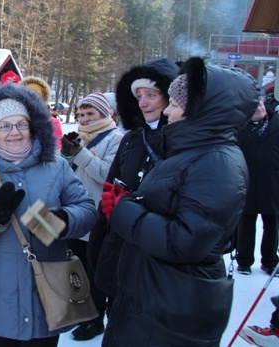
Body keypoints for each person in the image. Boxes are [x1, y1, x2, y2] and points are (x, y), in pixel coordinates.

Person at [100, 57, 258, 346]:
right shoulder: (193, 152)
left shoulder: (216, 163)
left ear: (200, 110)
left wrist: (124, 210)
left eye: (174, 104)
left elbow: (187, 240)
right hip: (153, 297)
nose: (168, 111)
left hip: (171, 306)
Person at [0, 83, 98, 346]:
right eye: (4, 126)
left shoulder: (56, 166)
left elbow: (86, 209)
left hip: (48, 295)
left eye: (21, 124)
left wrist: (59, 222)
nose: (14, 132)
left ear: (33, 126)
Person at [87, 57, 178, 342]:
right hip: (120, 247)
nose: (143, 102)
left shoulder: (183, 143)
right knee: (118, 322)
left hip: (159, 256)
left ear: (170, 97)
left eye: (151, 95)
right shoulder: (131, 140)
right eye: (138, 96)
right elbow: (110, 190)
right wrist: (100, 241)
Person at [59, 92, 124, 341]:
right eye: (81, 114)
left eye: (90, 114)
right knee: (75, 266)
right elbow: (63, 171)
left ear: (105, 114)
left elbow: (108, 174)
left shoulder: (115, 138)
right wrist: (65, 155)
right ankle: (80, 313)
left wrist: (80, 154)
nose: (84, 119)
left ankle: (96, 320)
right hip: (74, 211)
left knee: (94, 269)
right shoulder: (79, 136)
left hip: (98, 213)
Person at [235, 95, 279, 276]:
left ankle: (270, 261)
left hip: (272, 182)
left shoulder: (276, 125)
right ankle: (244, 260)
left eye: (260, 105)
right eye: (254, 107)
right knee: (246, 223)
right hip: (247, 182)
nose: (259, 109)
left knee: (272, 223)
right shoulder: (239, 129)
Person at [19, 76, 63, 150]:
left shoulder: (52, 122)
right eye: (28, 96)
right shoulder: (15, 119)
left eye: (36, 97)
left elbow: (57, 148)